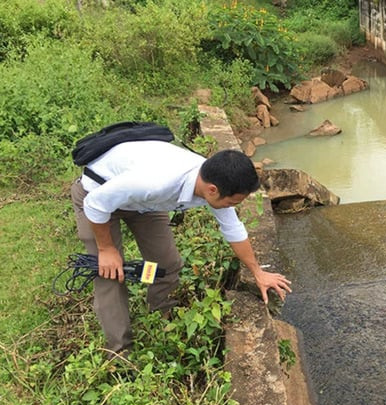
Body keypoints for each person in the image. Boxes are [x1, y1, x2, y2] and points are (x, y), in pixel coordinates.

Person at [70, 140, 291, 357]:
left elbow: (233, 229)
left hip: (145, 204)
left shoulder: (213, 181)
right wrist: (107, 249)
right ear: (213, 190)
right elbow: (96, 204)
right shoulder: (154, 183)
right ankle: (120, 352)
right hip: (97, 196)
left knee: (166, 264)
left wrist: (258, 273)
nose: (232, 207)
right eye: (232, 203)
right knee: (110, 274)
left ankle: (161, 319)